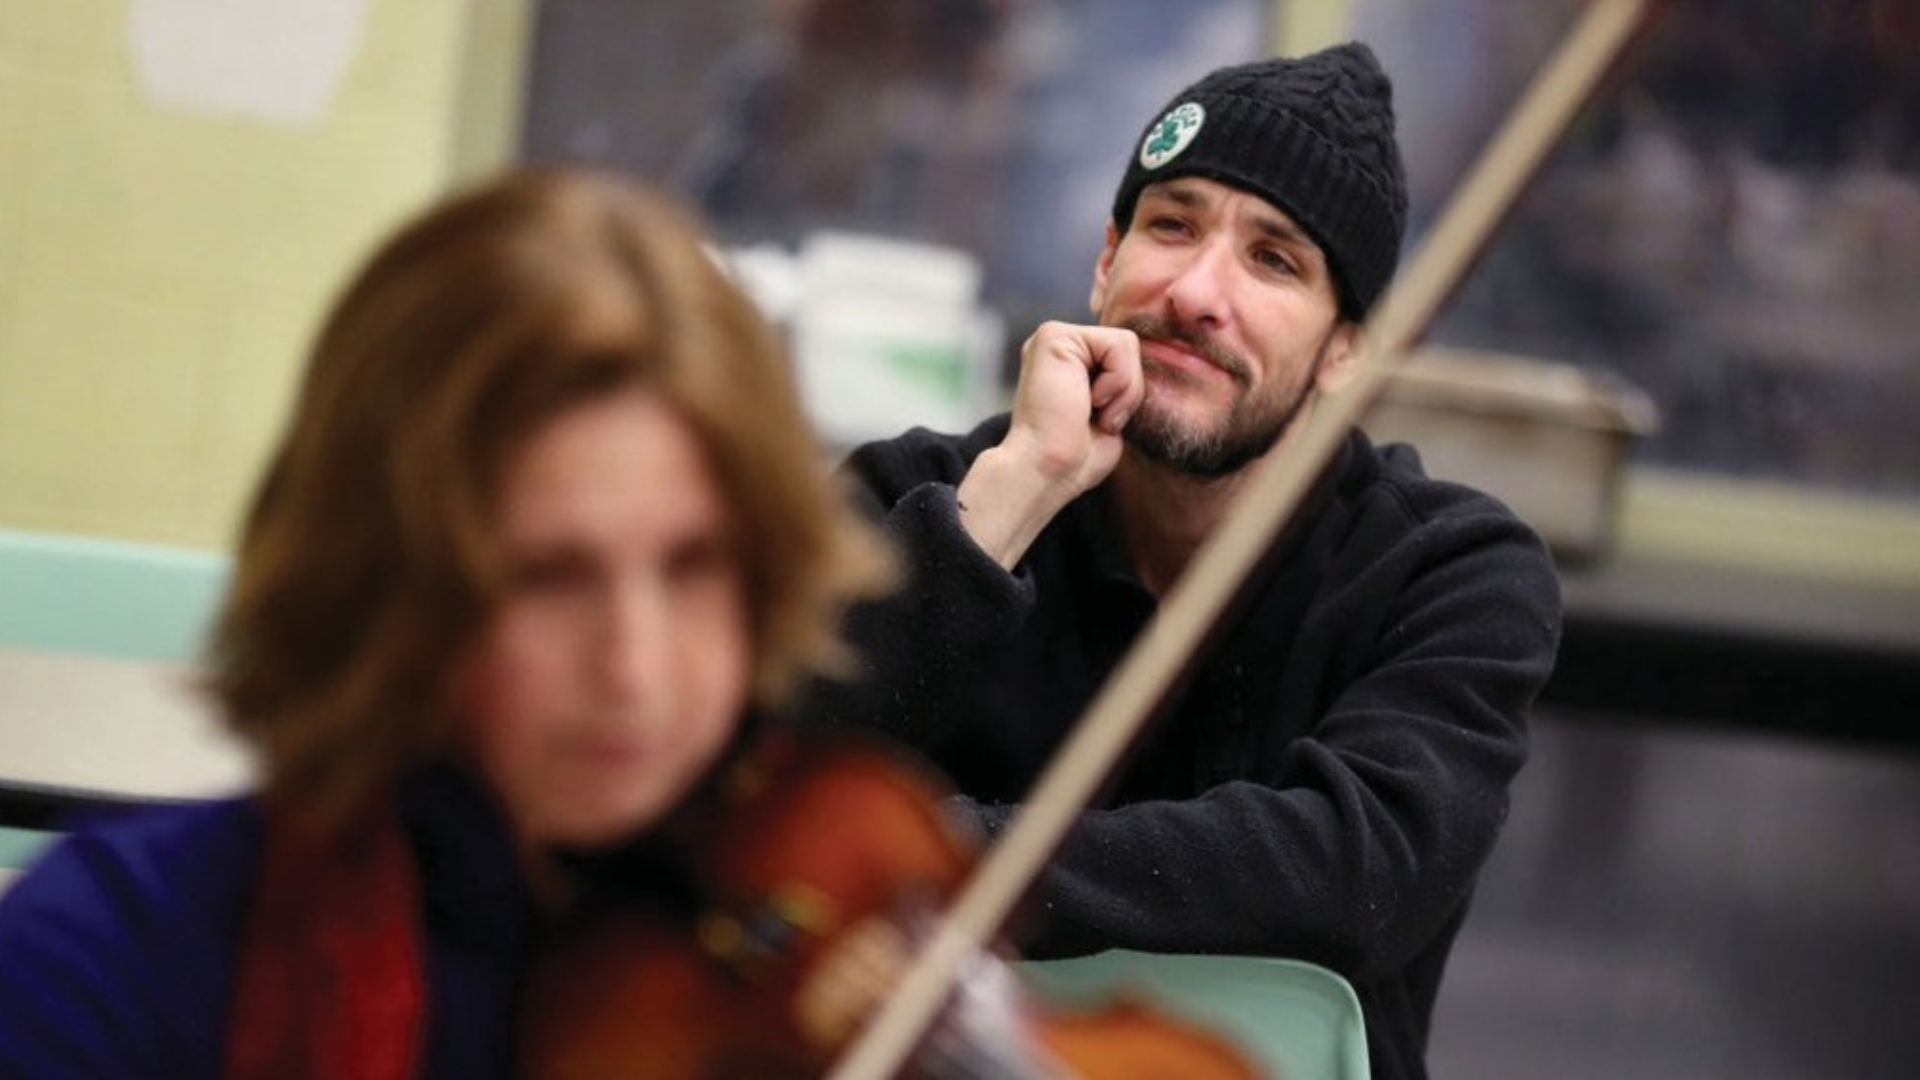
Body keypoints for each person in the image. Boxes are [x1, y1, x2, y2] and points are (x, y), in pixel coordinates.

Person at [0, 170, 897, 1077]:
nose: (637, 668)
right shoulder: (105, 962)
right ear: (384, 576)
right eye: (549, 577)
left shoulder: (788, 966)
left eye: (694, 565)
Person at [800, 43, 1564, 1080]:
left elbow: (1358, 873)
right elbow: (778, 794)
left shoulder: (1455, 574)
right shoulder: (924, 495)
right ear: (1107, 258)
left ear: (1348, 351)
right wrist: (1016, 493)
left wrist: (938, 857)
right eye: (1173, 224)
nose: (1199, 291)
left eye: (1275, 259)